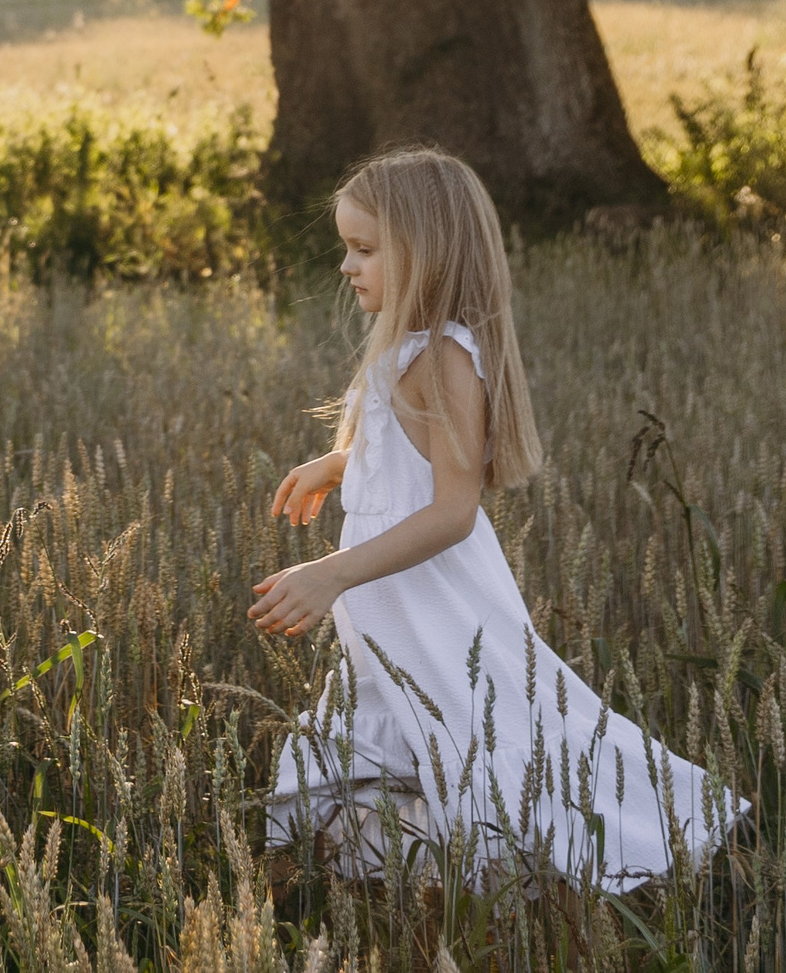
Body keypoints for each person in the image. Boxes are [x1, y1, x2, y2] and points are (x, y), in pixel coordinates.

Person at [256, 147, 746, 890]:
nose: (347, 267)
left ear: (425, 252)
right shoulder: (407, 351)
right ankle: (420, 883)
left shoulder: (446, 358)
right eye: (346, 248)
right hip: (389, 613)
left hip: (434, 604)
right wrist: (340, 463)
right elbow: (408, 460)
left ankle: (659, 851)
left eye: (364, 249)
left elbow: (453, 511)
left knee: (493, 738)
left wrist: (332, 572)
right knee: (382, 760)